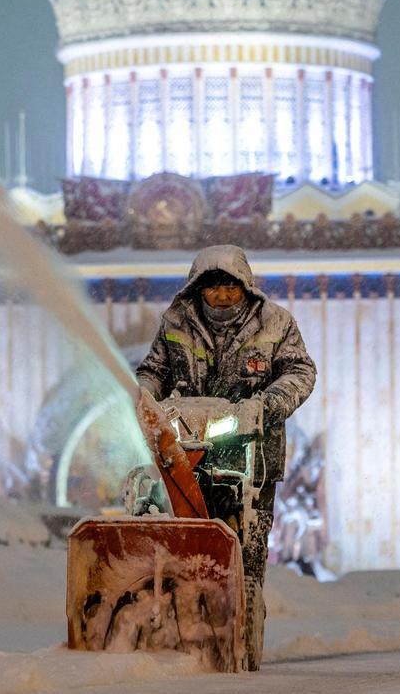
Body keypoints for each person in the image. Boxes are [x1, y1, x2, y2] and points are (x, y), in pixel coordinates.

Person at [136, 244, 316, 669]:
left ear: (245, 287)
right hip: (186, 443)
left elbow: (301, 372)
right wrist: (144, 394)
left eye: (229, 287)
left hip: (251, 446)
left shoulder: (275, 324)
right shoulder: (176, 322)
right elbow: (154, 369)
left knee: (248, 539)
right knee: (160, 505)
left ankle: (246, 605)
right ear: (197, 289)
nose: (220, 295)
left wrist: (265, 406)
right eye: (212, 287)